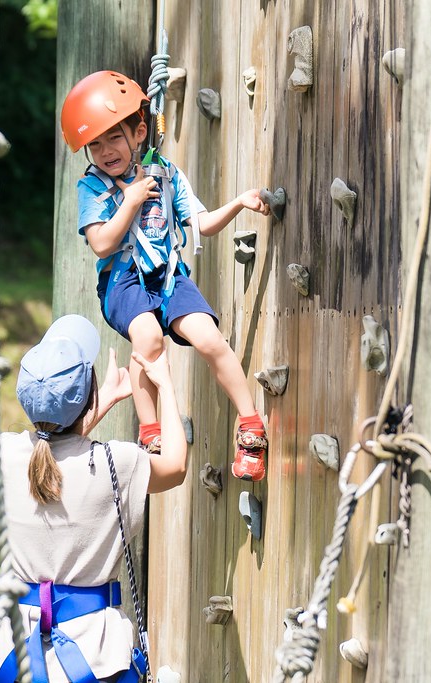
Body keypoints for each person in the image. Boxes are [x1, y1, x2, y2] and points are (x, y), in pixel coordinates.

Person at [59, 70, 272, 483]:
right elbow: (101, 244)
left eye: (114, 138)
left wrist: (240, 203)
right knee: (149, 338)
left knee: (209, 337)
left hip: (168, 277)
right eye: (95, 144)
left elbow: (202, 223)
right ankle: (151, 434)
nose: (105, 151)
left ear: (139, 132)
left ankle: (250, 426)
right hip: (122, 283)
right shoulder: (91, 187)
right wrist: (132, 198)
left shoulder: (166, 173)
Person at [0, 314, 188, 683]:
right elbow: (174, 466)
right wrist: (166, 384)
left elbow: (51, 455)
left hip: (16, 654)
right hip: (97, 655)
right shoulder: (119, 462)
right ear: (88, 397)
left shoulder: (1, 454)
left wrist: (99, 402)